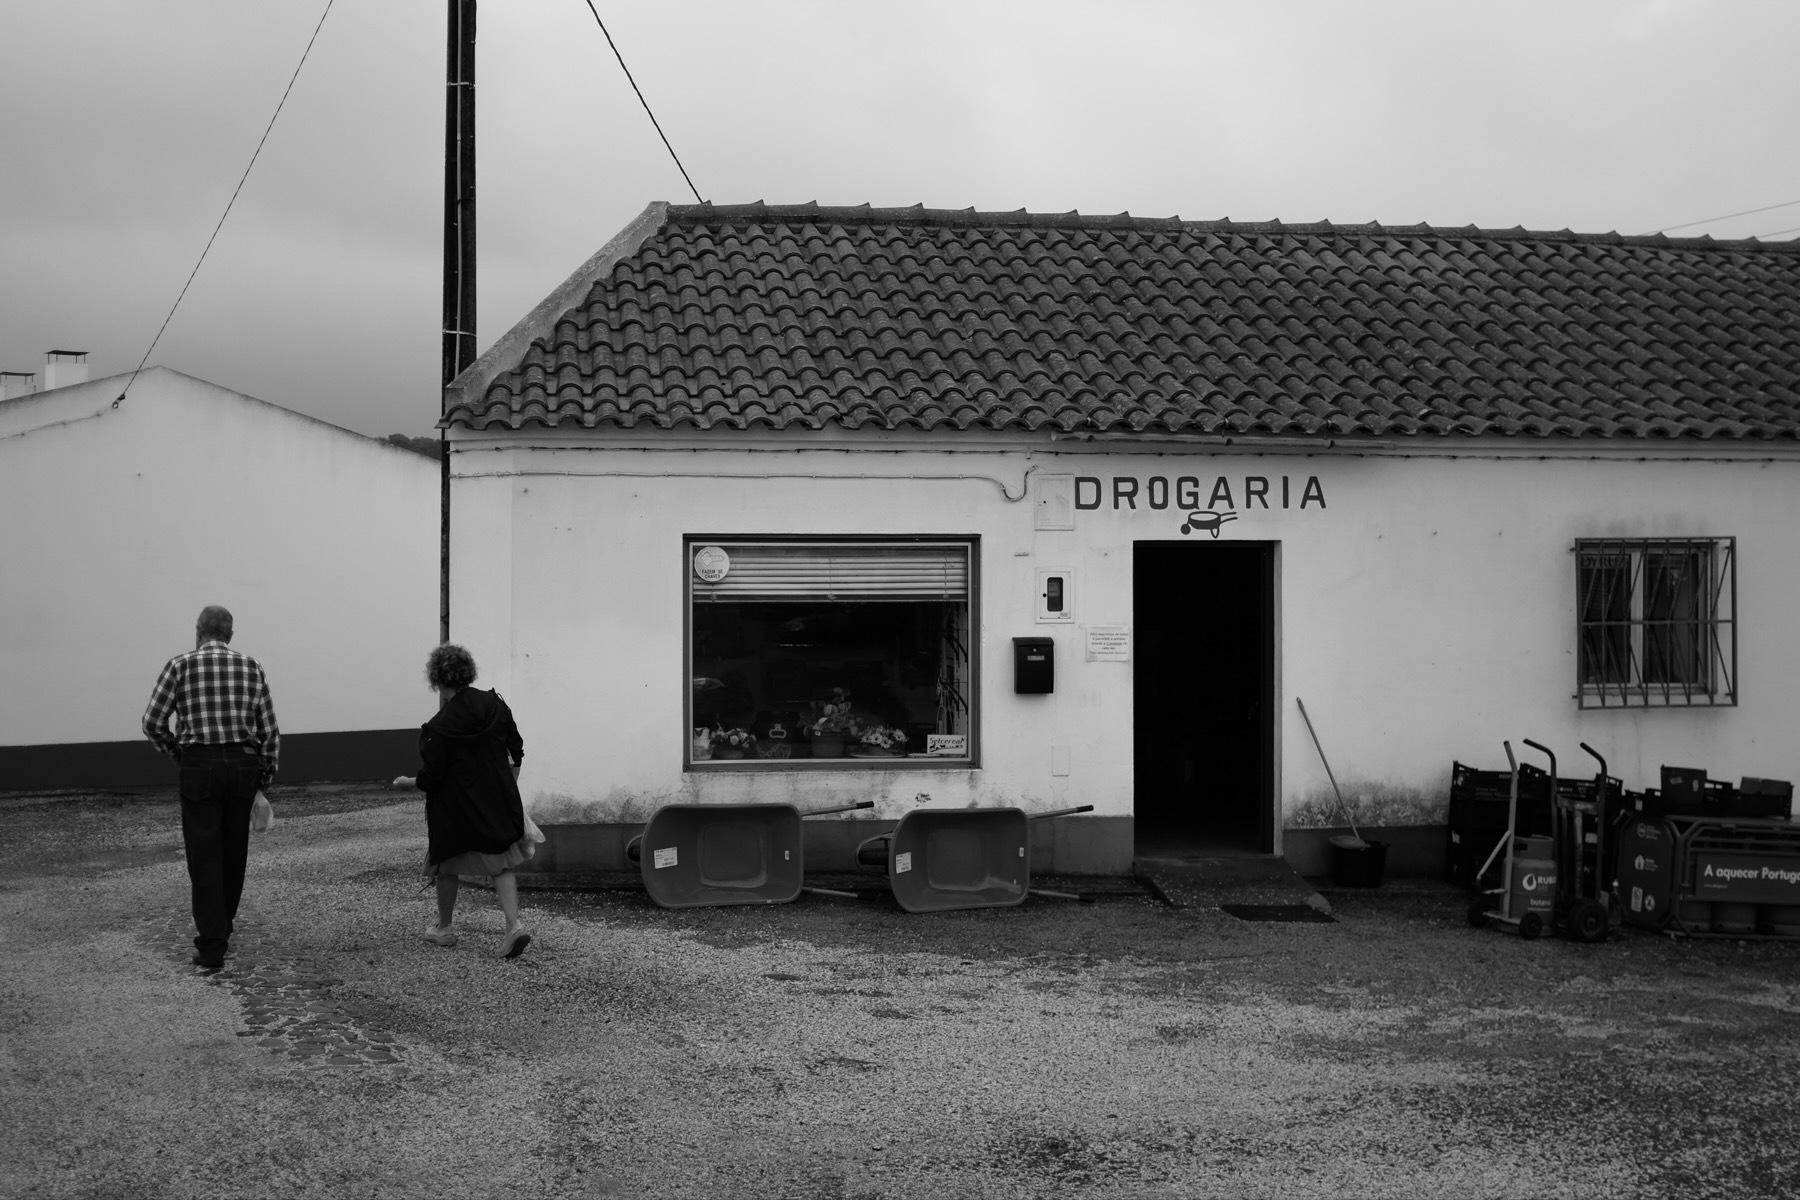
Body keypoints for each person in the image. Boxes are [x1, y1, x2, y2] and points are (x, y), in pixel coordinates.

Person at [142, 605, 280, 970]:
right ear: (230, 635)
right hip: (241, 765)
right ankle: (225, 925)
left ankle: (211, 946)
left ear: (198, 631)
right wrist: (263, 780)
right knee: (234, 851)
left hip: (199, 765)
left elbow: (153, 721)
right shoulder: (252, 667)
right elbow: (268, 732)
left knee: (204, 854)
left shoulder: (179, 665)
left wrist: (178, 754)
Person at [393, 644, 539, 958]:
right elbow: (517, 749)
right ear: (468, 672)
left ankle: (443, 928)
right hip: (495, 800)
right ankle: (513, 925)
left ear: (436, 680)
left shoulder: (439, 727)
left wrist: (408, 783)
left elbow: (431, 778)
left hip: (454, 807)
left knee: (446, 863)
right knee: (500, 863)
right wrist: (506, 784)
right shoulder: (496, 705)